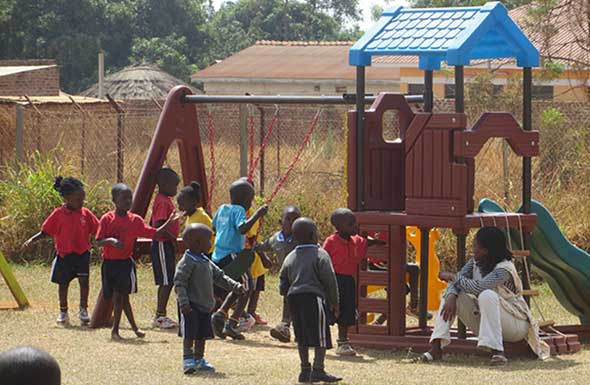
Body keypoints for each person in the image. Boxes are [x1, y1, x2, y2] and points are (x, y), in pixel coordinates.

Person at [422, 227, 550, 365]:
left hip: (515, 325)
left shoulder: (504, 269)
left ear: (485, 251)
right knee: (452, 295)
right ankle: (436, 348)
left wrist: (453, 277)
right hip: (488, 320)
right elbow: (460, 281)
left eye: (475, 245)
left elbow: (478, 287)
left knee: (487, 294)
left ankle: (497, 353)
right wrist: (452, 295)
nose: (472, 248)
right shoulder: (475, 262)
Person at [96, 183, 180, 340]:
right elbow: (99, 241)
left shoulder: (135, 221)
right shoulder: (107, 219)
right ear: (114, 200)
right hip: (109, 264)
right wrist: (112, 241)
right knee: (121, 298)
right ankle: (134, 329)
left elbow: (154, 233)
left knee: (119, 297)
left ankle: (116, 331)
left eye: (130, 198)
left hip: (124, 264)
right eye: (124, 198)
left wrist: (168, 223)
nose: (128, 201)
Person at [23, 176, 99, 325]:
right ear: (66, 199)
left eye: (83, 199)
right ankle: (63, 312)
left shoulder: (85, 213)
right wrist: (32, 240)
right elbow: (46, 231)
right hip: (64, 255)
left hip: (82, 254)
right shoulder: (58, 214)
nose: (81, 202)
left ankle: (83, 310)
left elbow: (98, 229)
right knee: (63, 284)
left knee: (84, 282)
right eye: (78, 199)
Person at [174, 224, 245, 374]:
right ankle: (188, 359)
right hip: (191, 306)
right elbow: (180, 283)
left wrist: (235, 286)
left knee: (202, 334)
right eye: (209, 240)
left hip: (205, 305)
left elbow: (219, 276)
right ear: (197, 243)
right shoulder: (187, 262)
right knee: (190, 333)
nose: (211, 243)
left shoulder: (205, 260)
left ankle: (199, 359)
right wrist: (184, 303)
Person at [280, 217, 341, 384]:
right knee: (320, 335)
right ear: (313, 235)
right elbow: (330, 280)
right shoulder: (320, 254)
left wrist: (286, 294)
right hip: (313, 298)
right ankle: (318, 369)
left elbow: (283, 280)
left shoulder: (290, 256)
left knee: (301, 335)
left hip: (294, 299)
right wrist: (334, 302)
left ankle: (304, 371)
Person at [209, 178, 268, 340]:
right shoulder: (239, 211)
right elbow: (242, 229)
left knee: (238, 287)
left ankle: (220, 315)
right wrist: (257, 214)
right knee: (247, 287)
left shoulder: (222, 209)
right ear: (245, 200)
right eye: (250, 200)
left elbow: (214, 226)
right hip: (232, 255)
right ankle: (232, 324)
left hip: (217, 256)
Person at [322, 208, 385, 356]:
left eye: (355, 223)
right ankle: (322, 339)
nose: (355, 226)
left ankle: (343, 343)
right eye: (351, 224)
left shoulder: (356, 241)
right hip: (333, 280)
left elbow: (366, 242)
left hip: (348, 281)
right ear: (339, 227)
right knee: (328, 309)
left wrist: (377, 241)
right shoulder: (330, 241)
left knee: (346, 311)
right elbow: (323, 259)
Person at [256, 205, 301, 342]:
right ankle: (285, 327)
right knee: (287, 299)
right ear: (280, 222)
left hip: (301, 275)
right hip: (286, 276)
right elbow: (263, 247)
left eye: (296, 219)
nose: (292, 223)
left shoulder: (301, 237)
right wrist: (257, 249)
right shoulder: (276, 239)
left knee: (299, 302)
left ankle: (298, 330)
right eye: (288, 219)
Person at [150, 168, 181, 329]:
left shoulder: (165, 199)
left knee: (169, 279)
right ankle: (159, 316)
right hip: (162, 243)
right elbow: (158, 224)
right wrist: (172, 238)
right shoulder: (162, 200)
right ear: (163, 184)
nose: (176, 190)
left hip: (166, 244)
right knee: (166, 280)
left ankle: (161, 315)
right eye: (174, 186)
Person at [176, 181, 214, 256]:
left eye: (182, 205)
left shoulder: (200, 217)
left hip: (209, 252)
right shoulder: (192, 215)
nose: (180, 208)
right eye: (179, 205)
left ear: (194, 202)